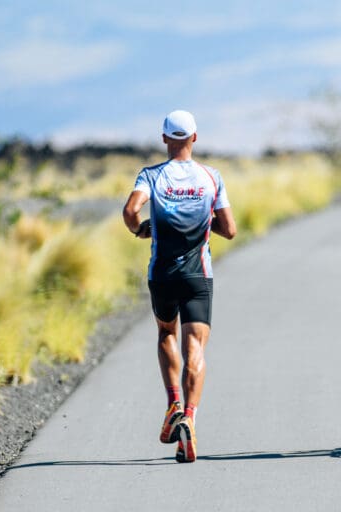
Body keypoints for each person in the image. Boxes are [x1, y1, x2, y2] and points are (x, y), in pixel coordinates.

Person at [122, 110, 236, 462]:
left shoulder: (151, 175)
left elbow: (130, 210)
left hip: (162, 274)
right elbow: (229, 229)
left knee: (165, 334)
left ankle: (173, 401)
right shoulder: (211, 176)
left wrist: (142, 228)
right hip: (198, 274)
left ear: (164, 139)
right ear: (195, 138)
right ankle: (190, 416)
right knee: (196, 348)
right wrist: (204, 227)